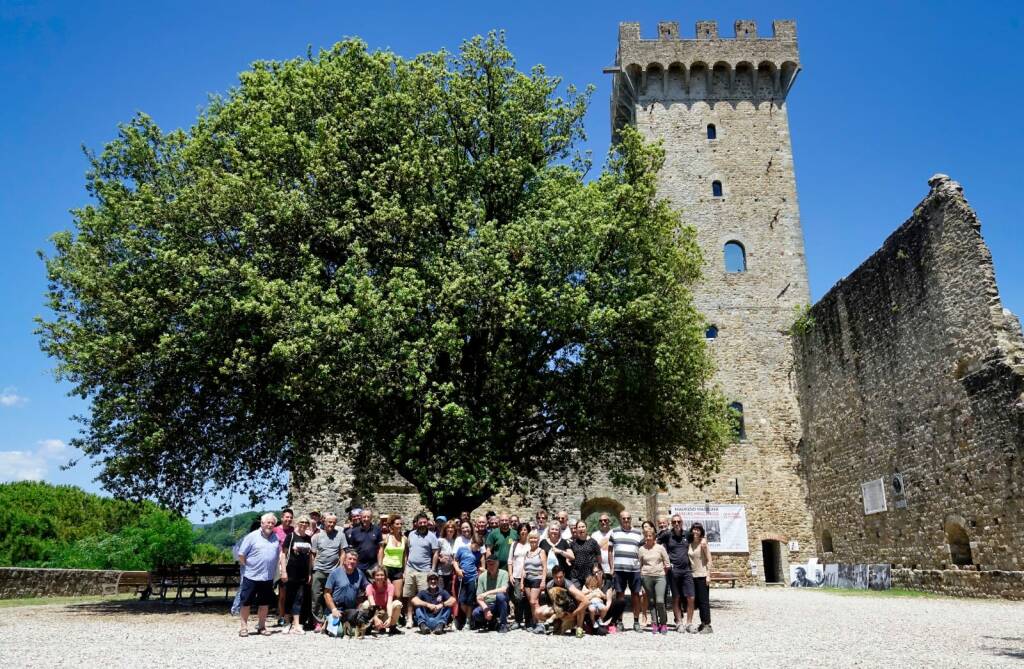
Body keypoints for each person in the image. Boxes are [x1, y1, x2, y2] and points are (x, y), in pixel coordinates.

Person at [236, 513, 281, 637]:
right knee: (246, 602)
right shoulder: (252, 536)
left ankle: (261, 626)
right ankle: (244, 628)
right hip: (251, 575)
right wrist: (248, 566)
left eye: (272, 523)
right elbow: (241, 554)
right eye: (268, 522)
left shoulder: (275, 538)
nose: (270, 525)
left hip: (267, 577)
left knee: (264, 603)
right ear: (262, 523)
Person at [310, 512, 348, 631]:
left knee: (333, 596)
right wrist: (313, 569)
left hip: (334, 570)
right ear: (324, 522)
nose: (331, 524)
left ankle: (331, 619)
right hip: (319, 569)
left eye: (333, 522)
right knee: (316, 596)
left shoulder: (341, 535)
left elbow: (343, 552)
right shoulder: (316, 537)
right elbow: (313, 554)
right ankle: (318, 621)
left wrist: (340, 569)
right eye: (329, 522)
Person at [660, 513, 696, 633]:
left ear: (682, 523)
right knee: (676, 597)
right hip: (674, 571)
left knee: (691, 597)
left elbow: (699, 538)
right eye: (674, 522)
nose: (676, 524)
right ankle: (679, 623)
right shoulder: (667, 535)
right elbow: (653, 541)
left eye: (678, 522)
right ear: (671, 523)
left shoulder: (687, 535)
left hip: (686, 570)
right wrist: (664, 561)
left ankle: (689, 623)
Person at [609, 510, 644, 632]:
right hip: (619, 569)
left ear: (631, 519)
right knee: (620, 596)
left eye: (628, 518)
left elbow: (642, 551)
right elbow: (610, 550)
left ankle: (636, 622)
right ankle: (619, 622)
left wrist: (641, 567)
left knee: (636, 595)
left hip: (634, 569)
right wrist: (611, 566)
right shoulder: (614, 532)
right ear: (620, 519)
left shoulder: (638, 533)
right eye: (624, 518)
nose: (626, 520)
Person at [403, 512, 439, 626]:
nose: (423, 524)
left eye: (425, 522)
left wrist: (432, 569)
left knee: (423, 596)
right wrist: (405, 568)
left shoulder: (432, 536)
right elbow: (407, 551)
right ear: (416, 523)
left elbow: (435, 553)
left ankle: (423, 619)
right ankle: (409, 619)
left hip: (424, 570)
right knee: (409, 596)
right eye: (420, 522)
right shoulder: (411, 534)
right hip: (410, 569)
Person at [280, 516, 314, 634]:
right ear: (297, 523)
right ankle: (287, 622)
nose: (304, 524)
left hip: (303, 573)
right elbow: (283, 554)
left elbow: (310, 557)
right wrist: (283, 571)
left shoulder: (309, 538)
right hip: (291, 572)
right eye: (302, 522)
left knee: (299, 598)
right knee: (289, 597)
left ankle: (296, 624)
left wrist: (309, 573)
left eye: (306, 522)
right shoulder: (291, 536)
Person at [638, 527, 671, 634]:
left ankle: (663, 623)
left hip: (659, 577)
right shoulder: (641, 549)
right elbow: (639, 565)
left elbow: (667, 564)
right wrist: (641, 580)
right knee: (651, 601)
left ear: (654, 537)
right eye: (646, 536)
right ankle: (654, 623)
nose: (648, 538)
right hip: (646, 577)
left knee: (660, 601)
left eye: (650, 536)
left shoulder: (660, 548)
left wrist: (662, 574)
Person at [323, 550, 369, 625]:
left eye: (354, 560)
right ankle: (327, 622)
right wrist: (333, 609)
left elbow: (367, 585)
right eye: (350, 559)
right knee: (338, 632)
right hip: (336, 609)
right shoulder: (335, 573)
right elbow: (326, 594)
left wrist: (368, 589)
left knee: (361, 628)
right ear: (344, 561)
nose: (352, 561)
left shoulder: (360, 573)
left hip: (351, 610)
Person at [378, 514, 407, 622]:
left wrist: (404, 570)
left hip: (398, 568)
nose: (399, 526)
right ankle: (385, 616)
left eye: (400, 524)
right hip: (386, 568)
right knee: (387, 593)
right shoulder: (386, 537)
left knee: (397, 594)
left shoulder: (404, 539)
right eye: (397, 524)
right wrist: (380, 566)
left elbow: (405, 555)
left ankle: (394, 618)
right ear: (392, 525)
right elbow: (381, 552)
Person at [231, 519, 262, 616]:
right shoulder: (247, 538)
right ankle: (236, 608)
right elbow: (237, 554)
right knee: (243, 587)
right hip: (247, 567)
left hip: (256, 567)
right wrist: (245, 563)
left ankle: (243, 607)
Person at [453, 533, 483, 628]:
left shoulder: (478, 554)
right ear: (472, 542)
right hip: (462, 578)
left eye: (479, 547)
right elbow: (455, 561)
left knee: (470, 601)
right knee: (461, 600)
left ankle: (468, 621)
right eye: (476, 546)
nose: (477, 548)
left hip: (472, 578)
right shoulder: (462, 549)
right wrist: (458, 570)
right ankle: (470, 618)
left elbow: (480, 566)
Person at [473, 555, 510, 632]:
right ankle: (492, 622)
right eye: (488, 564)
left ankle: (503, 624)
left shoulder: (504, 573)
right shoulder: (482, 577)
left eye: (492, 564)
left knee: (500, 596)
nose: (490, 566)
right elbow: (479, 597)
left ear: (497, 564)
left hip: (499, 603)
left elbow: (504, 589)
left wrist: (487, 593)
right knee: (476, 613)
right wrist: (485, 609)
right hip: (488, 604)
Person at [689, 522, 713, 634]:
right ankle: (702, 623)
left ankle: (708, 625)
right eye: (694, 529)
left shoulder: (703, 544)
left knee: (704, 602)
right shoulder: (690, 543)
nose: (696, 531)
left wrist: (708, 575)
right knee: (697, 602)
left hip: (702, 575)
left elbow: (709, 560)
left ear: (701, 532)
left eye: (698, 530)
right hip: (692, 575)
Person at [346, 509, 383, 580]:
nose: (366, 519)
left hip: (373, 565)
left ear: (371, 518)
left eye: (368, 517)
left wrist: (380, 564)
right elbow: (351, 549)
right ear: (361, 518)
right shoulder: (355, 531)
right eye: (364, 517)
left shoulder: (377, 530)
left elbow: (380, 548)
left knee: (373, 586)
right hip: (358, 565)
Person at [522, 530, 547, 633]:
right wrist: (522, 582)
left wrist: (543, 581)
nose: (533, 540)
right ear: (529, 539)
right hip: (527, 579)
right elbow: (524, 568)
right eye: (531, 538)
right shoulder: (527, 553)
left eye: (535, 538)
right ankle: (534, 622)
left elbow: (545, 567)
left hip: (537, 578)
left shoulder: (541, 552)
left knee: (534, 601)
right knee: (532, 603)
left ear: (538, 539)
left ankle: (541, 623)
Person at [273, 508, 296, 626]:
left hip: (291, 565)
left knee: (290, 593)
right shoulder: (275, 530)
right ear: (282, 518)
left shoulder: (294, 530)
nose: (289, 519)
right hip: (277, 564)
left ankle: (289, 616)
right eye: (287, 517)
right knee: (281, 594)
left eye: (291, 517)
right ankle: (281, 616)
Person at [365, 567, 403, 635]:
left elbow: (389, 603)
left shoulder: (390, 586)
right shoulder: (369, 587)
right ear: (373, 576)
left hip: (386, 612)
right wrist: (375, 618)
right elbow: (372, 604)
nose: (380, 577)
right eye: (377, 575)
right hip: (375, 614)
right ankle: (370, 625)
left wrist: (389, 618)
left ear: (385, 576)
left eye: (382, 575)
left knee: (397, 603)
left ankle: (392, 627)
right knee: (366, 604)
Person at [507, 523, 531, 629]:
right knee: (518, 598)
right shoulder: (514, 544)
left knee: (528, 598)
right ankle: (518, 620)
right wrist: (510, 574)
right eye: (521, 530)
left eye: (525, 529)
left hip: (528, 575)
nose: (523, 531)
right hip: (516, 575)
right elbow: (510, 560)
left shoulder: (531, 544)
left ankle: (528, 621)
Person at [590, 513, 614, 590]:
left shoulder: (614, 533)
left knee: (612, 591)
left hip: (612, 568)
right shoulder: (594, 535)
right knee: (600, 589)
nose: (603, 522)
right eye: (601, 521)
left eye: (605, 520)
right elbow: (592, 552)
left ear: (609, 522)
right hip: (599, 569)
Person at [437, 520, 459, 598]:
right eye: (448, 528)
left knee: (448, 594)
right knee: (439, 594)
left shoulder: (456, 541)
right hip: (441, 573)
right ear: (445, 529)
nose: (450, 530)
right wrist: (440, 559)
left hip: (451, 573)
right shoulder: (440, 541)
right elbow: (434, 554)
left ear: (455, 530)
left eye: (452, 528)